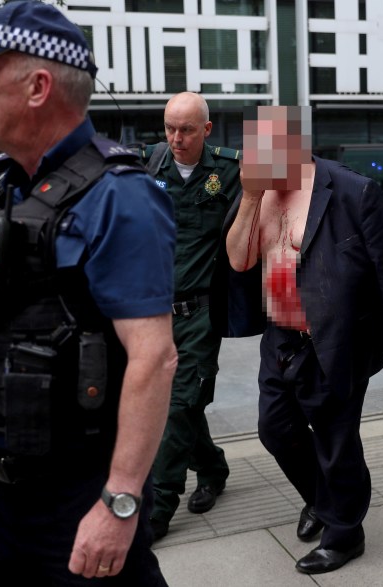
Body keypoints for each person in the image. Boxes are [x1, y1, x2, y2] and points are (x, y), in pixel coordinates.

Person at [0, 2, 175, 584]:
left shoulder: (121, 198)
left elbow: (155, 356)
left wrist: (120, 504)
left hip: (80, 496)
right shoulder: (1, 186)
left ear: (38, 87)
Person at [224, 105, 383, 574]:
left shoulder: (352, 190)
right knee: (274, 429)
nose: (259, 160)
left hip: (334, 337)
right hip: (279, 334)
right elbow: (237, 261)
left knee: (336, 440)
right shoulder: (256, 193)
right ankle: (325, 498)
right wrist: (251, 198)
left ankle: (344, 533)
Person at [142, 92, 239, 540]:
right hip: (152, 314)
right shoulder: (146, 166)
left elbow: (284, 193)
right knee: (182, 404)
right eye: (169, 129)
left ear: (207, 129)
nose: (176, 139)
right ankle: (213, 468)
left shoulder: (231, 169)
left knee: (178, 406)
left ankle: (159, 507)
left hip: (200, 312)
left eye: (185, 130)